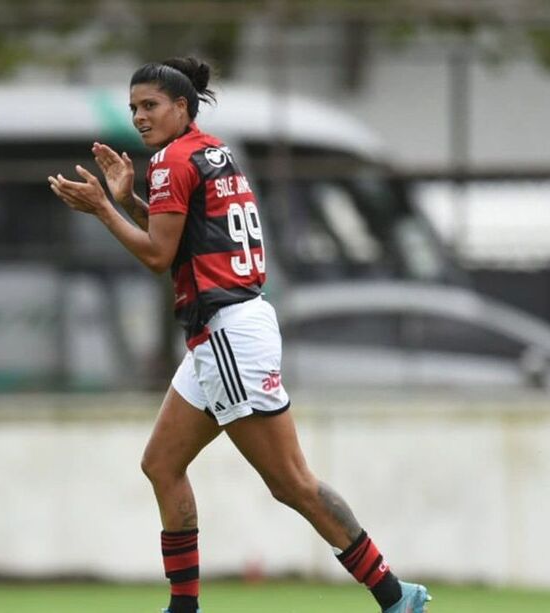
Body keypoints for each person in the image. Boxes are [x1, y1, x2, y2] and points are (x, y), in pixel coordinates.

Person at [48, 57, 431, 613]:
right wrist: (129, 200)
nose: (139, 117)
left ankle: (396, 596)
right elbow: (182, 239)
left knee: (292, 483)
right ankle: (184, 608)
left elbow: (158, 256)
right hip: (225, 329)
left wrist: (104, 209)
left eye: (150, 105)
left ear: (182, 107)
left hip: (229, 332)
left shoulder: (173, 161)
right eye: (133, 108)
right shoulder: (210, 151)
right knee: (161, 464)